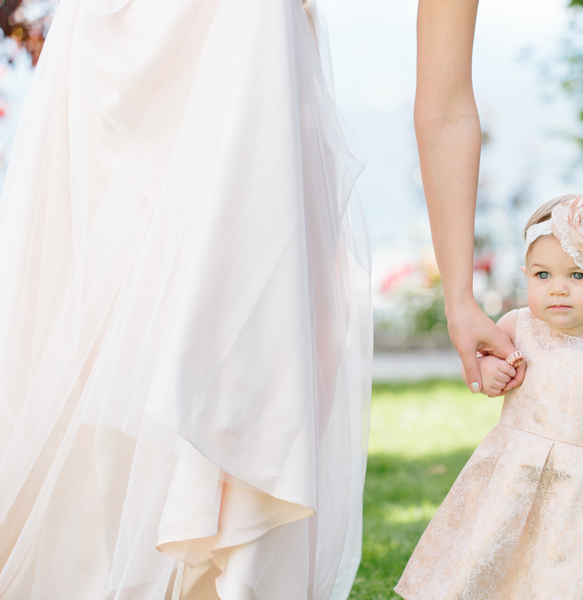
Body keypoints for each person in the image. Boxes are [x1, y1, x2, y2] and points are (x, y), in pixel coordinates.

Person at [0, 0, 518, 598]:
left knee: (257, 367)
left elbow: (447, 101)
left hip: (256, 79)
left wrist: (460, 298)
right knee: (96, 357)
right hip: (132, 55)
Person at [395, 194, 583, 600]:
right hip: (514, 480)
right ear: (526, 275)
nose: (558, 289)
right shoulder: (518, 327)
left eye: (577, 276)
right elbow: (484, 360)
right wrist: (490, 372)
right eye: (543, 276)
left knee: (572, 571)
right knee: (500, 558)